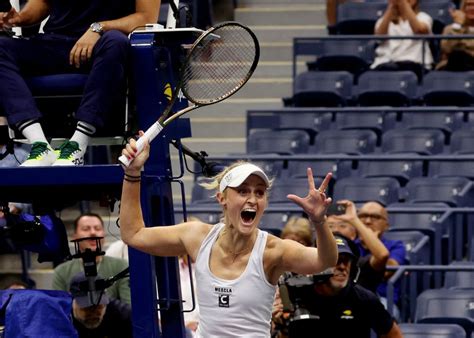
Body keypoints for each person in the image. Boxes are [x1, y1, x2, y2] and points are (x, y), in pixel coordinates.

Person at [119, 135, 338, 338]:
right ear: (222, 199)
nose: (252, 199)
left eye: (259, 192)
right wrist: (133, 173)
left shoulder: (273, 250)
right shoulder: (197, 236)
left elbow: (325, 261)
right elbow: (133, 234)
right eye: (243, 191)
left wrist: (319, 221)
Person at [0, 0, 160, 166]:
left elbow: (146, 18)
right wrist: (18, 18)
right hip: (55, 42)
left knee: (116, 41)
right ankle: (39, 145)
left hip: (104, 45)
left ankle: (77, 145)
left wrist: (99, 28)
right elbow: (43, 3)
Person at [273, 234, 403, 338]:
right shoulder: (294, 292)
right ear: (316, 263)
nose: (342, 266)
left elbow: (393, 335)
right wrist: (280, 326)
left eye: (346, 261)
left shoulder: (364, 299)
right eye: (335, 260)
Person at [52, 213, 131, 304]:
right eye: (86, 229)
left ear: (104, 236)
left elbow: (128, 306)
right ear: (75, 236)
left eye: (97, 228)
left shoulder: (121, 266)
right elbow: (60, 308)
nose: (93, 233)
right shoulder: (62, 271)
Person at [325, 200, 389, 293]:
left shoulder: (359, 263)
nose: (336, 230)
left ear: (353, 234)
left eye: (342, 226)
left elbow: (382, 255)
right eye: (330, 226)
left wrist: (354, 219)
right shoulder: (314, 258)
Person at [357, 201, 407, 310]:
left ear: (386, 225)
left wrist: (372, 241)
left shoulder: (396, 246)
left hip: (383, 299)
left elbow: (387, 272)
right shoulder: (350, 245)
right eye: (363, 216)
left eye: (375, 217)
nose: (368, 221)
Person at [371, 0, 434, 81]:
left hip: (414, 65)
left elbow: (420, 31)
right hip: (385, 65)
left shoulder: (423, 17)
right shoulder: (382, 20)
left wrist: (404, 4)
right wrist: (392, 8)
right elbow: (379, 37)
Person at [70, 272, 132, 338]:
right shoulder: (62, 319)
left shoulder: (124, 316)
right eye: (87, 307)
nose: (93, 313)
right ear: (73, 302)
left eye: (98, 306)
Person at [437, 0, 474, 71]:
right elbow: (447, 49)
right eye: (469, 5)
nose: (472, 8)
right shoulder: (451, 28)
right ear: (463, 8)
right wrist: (458, 26)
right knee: (458, 56)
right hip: (452, 66)